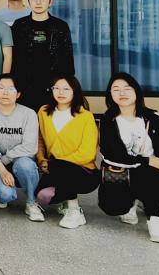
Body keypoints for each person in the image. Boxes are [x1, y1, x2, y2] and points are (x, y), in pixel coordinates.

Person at [98, 73, 159, 244]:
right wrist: (146, 160)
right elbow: (109, 154)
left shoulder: (154, 117)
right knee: (112, 207)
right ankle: (134, 202)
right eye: (116, 89)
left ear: (136, 91)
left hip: (152, 174)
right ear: (110, 95)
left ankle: (155, 218)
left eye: (127, 88)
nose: (122, 93)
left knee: (152, 175)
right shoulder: (108, 120)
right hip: (122, 173)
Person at [35, 76, 99, 229]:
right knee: (43, 196)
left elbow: (88, 153)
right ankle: (64, 200)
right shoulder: (44, 111)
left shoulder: (85, 116)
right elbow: (39, 139)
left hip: (84, 172)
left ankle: (74, 210)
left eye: (66, 89)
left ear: (74, 91)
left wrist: (57, 163)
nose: (60, 92)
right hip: (53, 168)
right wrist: (41, 159)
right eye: (56, 88)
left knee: (63, 168)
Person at [0, 74, 42, 221]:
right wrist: (2, 169)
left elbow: (29, 147)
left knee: (26, 165)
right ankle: (1, 197)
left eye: (11, 89)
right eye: (1, 88)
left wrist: (4, 159)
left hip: (19, 161)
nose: (5, 93)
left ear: (18, 94)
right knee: (5, 195)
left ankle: (31, 202)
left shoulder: (29, 114)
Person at [11, 0, 75, 110]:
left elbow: (67, 59)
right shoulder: (19, 25)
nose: (38, 2)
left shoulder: (60, 26)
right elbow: (13, 57)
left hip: (53, 87)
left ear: (50, 2)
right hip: (24, 86)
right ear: (28, 0)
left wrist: (65, 86)